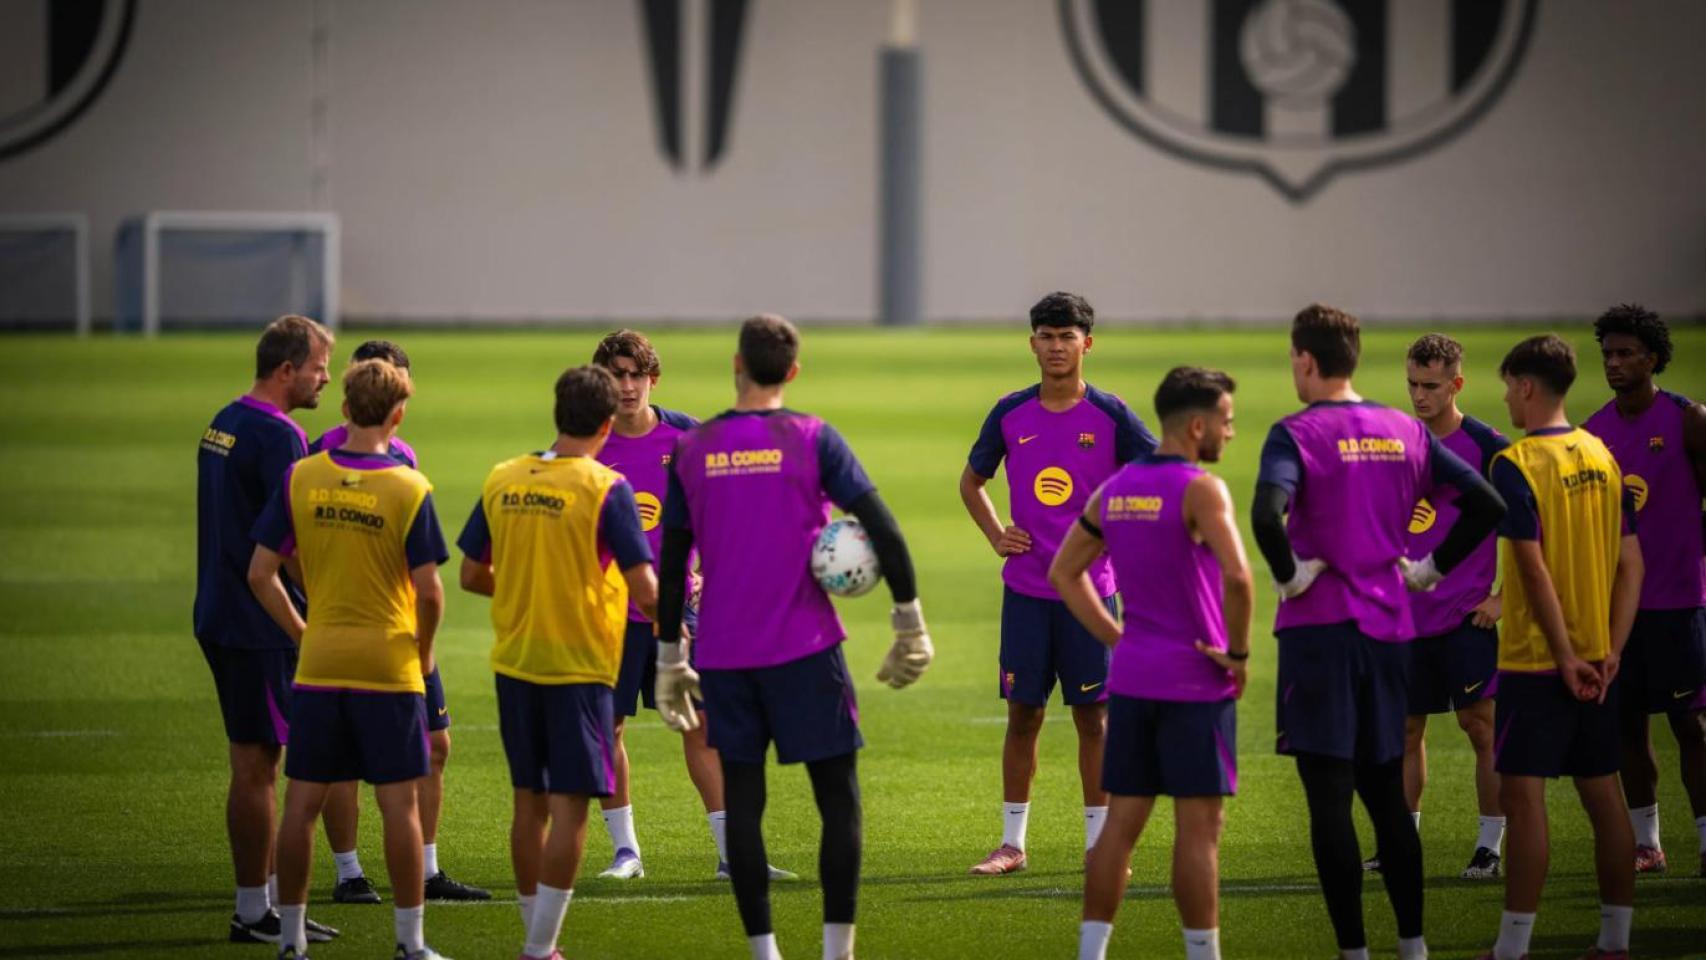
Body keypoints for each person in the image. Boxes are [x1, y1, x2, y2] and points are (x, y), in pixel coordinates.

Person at [653, 314, 931, 960]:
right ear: (794, 371)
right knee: (838, 798)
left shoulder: (692, 449)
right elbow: (884, 531)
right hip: (807, 650)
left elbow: (671, 563)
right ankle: (838, 952)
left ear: (736, 365)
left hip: (723, 654)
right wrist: (908, 621)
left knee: (744, 803)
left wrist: (670, 654)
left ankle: (765, 954)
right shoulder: (812, 437)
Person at [1250, 304, 1504, 960]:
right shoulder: (1405, 431)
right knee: (1388, 796)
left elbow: (1265, 513)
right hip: (1391, 632)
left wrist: (1291, 575)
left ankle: (1354, 952)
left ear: (1306, 361)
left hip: (1318, 635)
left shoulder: (1296, 432)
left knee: (1329, 798)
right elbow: (1488, 503)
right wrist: (1430, 569)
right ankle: (1414, 947)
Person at [247, 358, 452, 960]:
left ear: (342, 410)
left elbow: (262, 572)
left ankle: (289, 940)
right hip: (389, 666)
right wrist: (424, 648)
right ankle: (410, 944)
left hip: (320, 663)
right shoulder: (409, 488)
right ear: (398, 414)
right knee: (399, 808)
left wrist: (304, 629)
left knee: (301, 807)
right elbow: (432, 590)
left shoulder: (300, 477)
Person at [1050, 367, 1251, 960]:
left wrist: (1116, 638)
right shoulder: (1202, 489)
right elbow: (1239, 577)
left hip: (1134, 677)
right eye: (1226, 421)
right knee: (1198, 831)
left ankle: (1091, 952)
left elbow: (1065, 573)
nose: (1230, 433)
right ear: (1197, 425)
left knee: (1120, 827)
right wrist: (1238, 655)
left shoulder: (1113, 490)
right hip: (1196, 680)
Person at [457, 365, 658, 960]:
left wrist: (527, 589)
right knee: (571, 805)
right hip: (579, 666)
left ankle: (532, 933)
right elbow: (645, 590)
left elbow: (470, 574)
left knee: (529, 802)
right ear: (604, 424)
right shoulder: (604, 488)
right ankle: (541, 946)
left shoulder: (504, 477)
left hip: (515, 661)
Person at [958, 291, 1157, 875]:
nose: (1055, 347)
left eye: (1066, 336)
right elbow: (972, 482)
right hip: (1025, 591)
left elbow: (1160, 477)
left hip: (1092, 592)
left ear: (1086, 344)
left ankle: (1100, 846)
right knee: (1024, 716)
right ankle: (1012, 844)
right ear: (1032, 343)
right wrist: (997, 534)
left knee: (1093, 718)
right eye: (1045, 336)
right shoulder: (1010, 412)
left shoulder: (1113, 414)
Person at [590, 329, 796, 881]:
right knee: (608, 729)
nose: (628, 386)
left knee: (700, 727)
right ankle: (626, 852)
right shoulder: (589, 441)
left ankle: (734, 856)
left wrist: (704, 569)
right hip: (611, 613)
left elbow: (727, 508)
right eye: (617, 375)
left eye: (637, 375)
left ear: (653, 379)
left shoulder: (687, 435)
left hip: (681, 610)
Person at [1477, 334, 1642, 960]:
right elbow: (1633, 564)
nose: (1507, 399)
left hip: (1536, 661)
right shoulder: (1602, 455)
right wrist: (1611, 648)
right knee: (1605, 795)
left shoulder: (1515, 463)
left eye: (1507, 386)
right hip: (1600, 658)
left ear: (1524, 385)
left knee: (1523, 801)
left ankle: (1512, 948)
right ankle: (1614, 942)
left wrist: (1565, 655)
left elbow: (1533, 568)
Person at [306, 340, 488, 904]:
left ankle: (427, 872)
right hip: (357, 631)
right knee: (340, 762)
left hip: (403, 628)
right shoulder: (315, 459)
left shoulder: (404, 457)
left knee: (436, 744)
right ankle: (348, 872)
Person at [194, 314, 339, 945]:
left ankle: (263, 903)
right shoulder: (280, 436)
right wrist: (323, 608)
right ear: (287, 370)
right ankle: (254, 911)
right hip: (259, 621)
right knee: (259, 764)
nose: (325, 380)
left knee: (252, 761)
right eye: (317, 368)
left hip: (220, 610)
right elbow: (289, 540)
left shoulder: (223, 421)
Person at [1374, 334, 1511, 879]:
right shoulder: (1393, 440)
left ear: (1456, 384)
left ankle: (1489, 846)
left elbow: (1528, 532)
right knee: (1406, 730)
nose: (1418, 395)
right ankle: (1399, 843)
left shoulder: (1488, 446)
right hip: (1403, 618)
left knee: (1480, 727)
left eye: (1429, 386)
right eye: (1411, 383)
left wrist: (1503, 599)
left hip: (1463, 616)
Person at [1582, 304, 1706, 878]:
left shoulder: (1689, 421)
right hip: (1618, 611)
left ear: (1653, 358)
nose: (1614, 363)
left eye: (1626, 353)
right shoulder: (1591, 435)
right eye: (1608, 353)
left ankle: (1705, 839)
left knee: (1690, 724)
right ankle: (1647, 842)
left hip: (1680, 602)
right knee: (1627, 725)